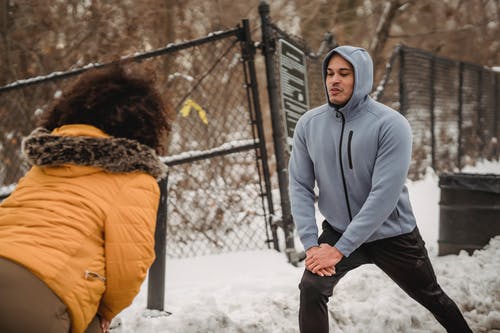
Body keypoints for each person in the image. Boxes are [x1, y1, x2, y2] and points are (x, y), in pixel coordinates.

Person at [288, 45, 472, 333]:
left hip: (392, 232)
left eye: (344, 74)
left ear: (360, 78)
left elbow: (383, 195)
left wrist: (339, 251)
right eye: (329, 73)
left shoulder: (390, 125)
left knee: (431, 296)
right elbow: (299, 186)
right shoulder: (309, 125)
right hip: (337, 230)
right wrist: (313, 246)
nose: (334, 80)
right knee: (311, 287)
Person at [0, 64, 172, 333]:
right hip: (36, 298)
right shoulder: (135, 179)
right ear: (144, 125)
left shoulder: (44, 167)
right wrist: (107, 311)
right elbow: (130, 264)